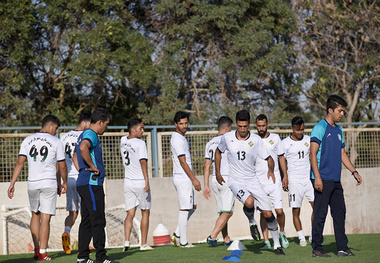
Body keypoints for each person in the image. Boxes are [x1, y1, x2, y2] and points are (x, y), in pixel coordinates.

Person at [215, 110, 285, 255]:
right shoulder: (227, 138)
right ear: (236, 124)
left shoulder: (256, 140)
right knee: (249, 202)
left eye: (245, 126)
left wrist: (271, 170)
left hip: (253, 180)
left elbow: (269, 158)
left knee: (268, 213)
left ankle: (277, 245)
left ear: (249, 125)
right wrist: (217, 172)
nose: (242, 130)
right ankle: (252, 222)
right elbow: (218, 152)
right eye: (240, 126)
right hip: (235, 181)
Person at [8, 115, 67, 261]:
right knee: (45, 218)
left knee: (35, 214)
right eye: (56, 128)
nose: (56, 131)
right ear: (50, 126)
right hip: (48, 183)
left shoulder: (27, 140)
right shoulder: (56, 141)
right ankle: (43, 252)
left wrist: (12, 183)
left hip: (32, 183)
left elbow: (20, 163)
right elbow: (62, 165)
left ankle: (36, 250)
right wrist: (64, 182)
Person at [310, 95, 362, 257]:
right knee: (320, 214)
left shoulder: (339, 129)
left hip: (335, 179)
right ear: (330, 110)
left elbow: (342, 153)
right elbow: (312, 154)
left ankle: (342, 248)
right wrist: (317, 177)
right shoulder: (320, 127)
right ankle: (317, 248)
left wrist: (354, 171)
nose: (342, 114)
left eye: (343, 111)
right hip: (321, 178)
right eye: (340, 111)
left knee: (340, 213)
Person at [74, 108, 119, 263]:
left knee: (87, 220)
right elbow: (82, 148)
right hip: (92, 183)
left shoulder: (82, 135)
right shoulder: (91, 134)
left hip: (84, 183)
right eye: (106, 124)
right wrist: (92, 167)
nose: (105, 127)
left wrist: (81, 169)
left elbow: (75, 154)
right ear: (100, 122)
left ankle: (83, 258)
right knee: (98, 219)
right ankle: (101, 257)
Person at [255, 114, 289, 249]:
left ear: (267, 124)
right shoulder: (253, 140)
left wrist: (285, 176)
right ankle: (266, 241)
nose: (261, 128)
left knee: (279, 211)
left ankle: (282, 233)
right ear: (256, 125)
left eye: (263, 125)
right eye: (259, 126)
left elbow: (281, 158)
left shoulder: (275, 138)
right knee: (264, 213)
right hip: (259, 181)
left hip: (275, 180)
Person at [120, 118, 153, 251]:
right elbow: (143, 162)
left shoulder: (123, 140)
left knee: (130, 213)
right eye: (141, 128)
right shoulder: (140, 143)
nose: (143, 131)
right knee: (145, 212)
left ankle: (127, 241)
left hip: (128, 182)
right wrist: (147, 179)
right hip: (140, 182)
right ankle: (143, 244)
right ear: (133, 130)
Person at [170, 111, 201, 248]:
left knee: (192, 207)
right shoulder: (177, 139)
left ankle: (177, 234)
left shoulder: (181, 137)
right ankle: (183, 241)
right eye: (181, 123)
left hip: (185, 177)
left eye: (186, 123)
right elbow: (182, 162)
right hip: (183, 178)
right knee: (184, 209)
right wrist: (194, 179)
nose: (184, 126)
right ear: (176, 124)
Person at [61, 112, 91, 254]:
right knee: (86, 213)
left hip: (69, 179)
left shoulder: (63, 136)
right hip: (81, 177)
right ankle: (84, 245)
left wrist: (61, 181)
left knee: (72, 213)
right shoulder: (85, 136)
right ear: (84, 123)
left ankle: (67, 232)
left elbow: (59, 161)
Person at [282, 116, 314, 246]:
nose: (300, 132)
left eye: (302, 129)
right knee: (296, 210)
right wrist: (285, 177)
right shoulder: (284, 143)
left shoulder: (309, 139)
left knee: (317, 207)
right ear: (292, 128)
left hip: (308, 180)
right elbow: (281, 160)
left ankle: (313, 234)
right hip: (294, 181)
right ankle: (301, 237)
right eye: (297, 130)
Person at [203, 116, 234, 247]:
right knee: (228, 212)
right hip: (226, 178)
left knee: (222, 211)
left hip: (214, 180)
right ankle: (212, 236)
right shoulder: (228, 140)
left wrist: (206, 185)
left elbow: (206, 166)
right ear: (227, 128)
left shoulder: (210, 143)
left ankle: (226, 239)